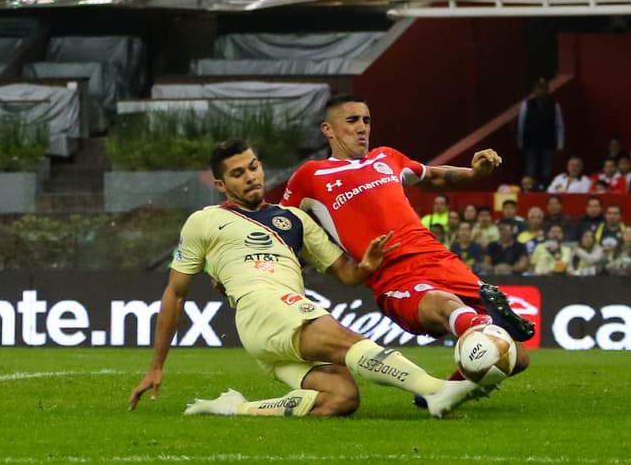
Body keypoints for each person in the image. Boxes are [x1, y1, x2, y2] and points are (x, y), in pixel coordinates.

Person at [128, 140, 472, 419]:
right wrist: (156, 366)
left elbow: (347, 275)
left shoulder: (293, 219)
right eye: (237, 173)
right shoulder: (203, 222)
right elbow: (175, 294)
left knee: (340, 397)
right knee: (344, 340)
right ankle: (434, 391)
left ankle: (236, 407)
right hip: (261, 308)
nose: (250, 176)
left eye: (253, 166)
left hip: (275, 322)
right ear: (221, 184)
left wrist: (366, 265)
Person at [278, 95, 533, 405]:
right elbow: (281, 225)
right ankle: (481, 325)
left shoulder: (387, 157)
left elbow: (434, 176)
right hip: (395, 275)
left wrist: (475, 174)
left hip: (441, 260)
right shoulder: (311, 176)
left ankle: (445, 393)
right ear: (328, 129)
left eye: (367, 120)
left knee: (515, 357)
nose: (362, 127)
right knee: (448, 305)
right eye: (352, 120)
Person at [518, 77, 564, 181]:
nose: (540, 91)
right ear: (534, 90)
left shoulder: (554, 105)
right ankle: (529, 190)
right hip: (530, 143)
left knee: (546, 170)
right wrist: (520, 142)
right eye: (538, 88)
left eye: (543, 88)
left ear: (547, 90)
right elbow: (521, 125)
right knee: (530, 169)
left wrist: (560, 144)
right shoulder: (527, 104)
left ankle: (544, 188)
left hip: (548, 143)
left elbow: (559, 126)